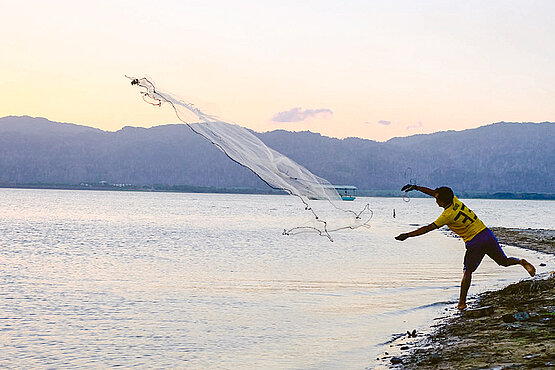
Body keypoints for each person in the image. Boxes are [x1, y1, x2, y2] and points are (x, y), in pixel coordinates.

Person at [395, 184, 536, 310]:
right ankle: (520, 262)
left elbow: (427, 228)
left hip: (475, 241)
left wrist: (407, 235)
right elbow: (434, 193)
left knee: (467, 271)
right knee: (503, 262)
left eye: (437, 198)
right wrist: (417, 188)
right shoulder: (455, 200)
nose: (435, 200)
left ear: (443, 200)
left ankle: (461, 303)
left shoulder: (447, 215)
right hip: (486, 233)